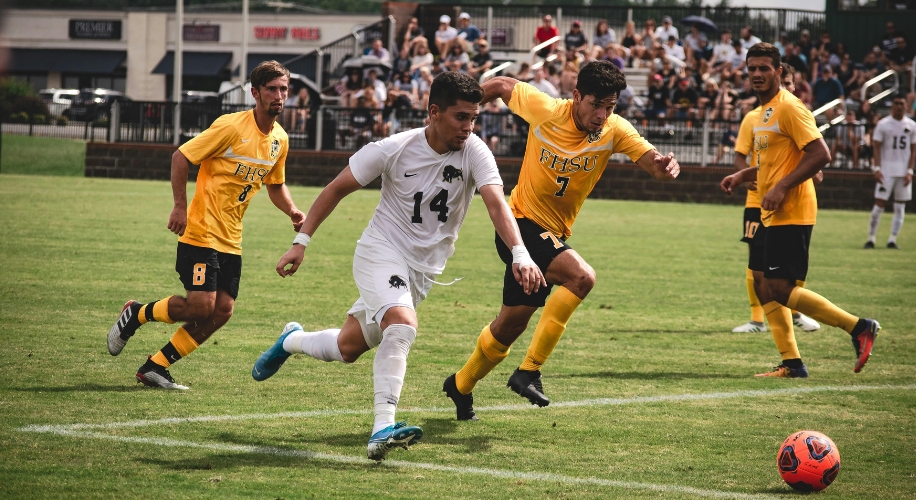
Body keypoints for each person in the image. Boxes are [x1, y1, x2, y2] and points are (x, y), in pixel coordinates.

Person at [251, 71, 545, 460]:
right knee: (403, 325)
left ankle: (291, 339)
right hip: (381, 251)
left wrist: (520, 253)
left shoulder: (475, 151)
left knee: (348, 347)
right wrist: (300, 242)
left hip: (422, 272)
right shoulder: (393, 148)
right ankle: (382, 429)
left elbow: (496, 204)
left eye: (474, 118)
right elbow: (336, 188)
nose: (469, 127)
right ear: (434, 112)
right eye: (461, 117)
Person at [442, 61, 680, 420]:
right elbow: (504, 84)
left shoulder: (614, 130)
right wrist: (467, 111)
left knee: (509, 327)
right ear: (576, 96)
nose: (602, 115)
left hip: (551, 234)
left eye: (610, 107)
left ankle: (460, 385)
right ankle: (529, 371)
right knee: (581, 277)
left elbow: (651, 163)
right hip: (519, 225)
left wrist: (664, 168)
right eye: (595, 104)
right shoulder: (548, 110)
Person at [106, 61, 304, 389]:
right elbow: (181, 156)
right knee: (201, 306)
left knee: (223, 310)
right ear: (255, 93)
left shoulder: (280, 140)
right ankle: (137, 314)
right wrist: (180, 207)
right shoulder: (231, 126)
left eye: (283, 89)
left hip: (231, 238)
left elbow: (274, 184)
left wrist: (293, 211)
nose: (279, 95)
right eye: (271, 89)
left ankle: (155, 366)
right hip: (201, 230)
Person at [720, 43, 880, 378]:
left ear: (780, 71)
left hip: (791, 210)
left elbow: (821, 155)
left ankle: (859, 327)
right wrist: (742, 175)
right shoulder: (763, 113)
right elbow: (774, 164)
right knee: (763, 283)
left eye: (764, 68)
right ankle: (791, 362)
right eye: (752, 69)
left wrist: (780, 187)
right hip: (769, 212)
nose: (757, 75)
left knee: (779, 287)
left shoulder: (790, 107)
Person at [731, 63, 820, 334]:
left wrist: (813, 173)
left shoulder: (795, 112)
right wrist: (745, 178)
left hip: (789, 202)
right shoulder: (754, 117)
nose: (789, 89)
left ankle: (794, 314)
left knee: (784, 272)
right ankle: (757, 319)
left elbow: (814, 154)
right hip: (757, 202)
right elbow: (741, 155)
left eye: (792, 84)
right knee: (758, 267)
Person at [865, 95, 916, 249]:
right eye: (896, 103)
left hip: (903, 172)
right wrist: (877, 168)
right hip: (886, 170)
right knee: (879, 204)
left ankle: (892, 239)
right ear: (891, 106)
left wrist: (910, 170)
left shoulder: (912, 126)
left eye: (902, 103)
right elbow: (877, 147)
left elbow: (913, 150)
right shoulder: (883, 124)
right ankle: (871, 238)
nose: (899, 106)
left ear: (907, 106)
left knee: (900, 206)